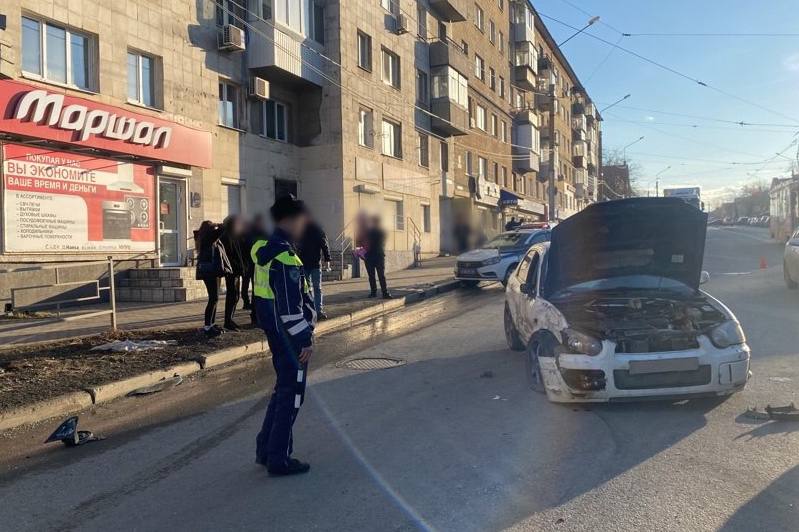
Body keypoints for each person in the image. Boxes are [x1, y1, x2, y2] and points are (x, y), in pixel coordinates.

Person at [252, 195, 316, 476]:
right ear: (290, 220)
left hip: (275, 333)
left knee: (282, 392)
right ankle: (279, 458)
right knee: (292, 396)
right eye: (302, 219)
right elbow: (291, 310)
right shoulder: (286, 257)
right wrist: (305, 339)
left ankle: (266, 449)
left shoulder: (264, 249)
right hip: (291, 339)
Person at [195, 220, 230, 338]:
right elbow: (222, 230)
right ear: (209, 229)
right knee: (213, 298)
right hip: (210, 272)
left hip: (211, 271)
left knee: (215, 298)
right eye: (212, 227)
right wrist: (219, 225)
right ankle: (207, 326)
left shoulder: (204, 237)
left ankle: (212, 324)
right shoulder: (208, 238)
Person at [297, 219, 332, 319]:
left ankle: (311, 311)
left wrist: (327, 259)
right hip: (313, 264)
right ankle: (317, 311)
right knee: (316, 289)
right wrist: (327, 259)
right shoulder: (317, 230)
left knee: (308, 289)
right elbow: (324, 245)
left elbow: (324, 244)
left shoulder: (303, 230)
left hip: (307, 264)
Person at [219, 214, 246, 331]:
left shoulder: (236, 236)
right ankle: (228, 321)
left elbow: (240, 253)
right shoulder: (226, 236)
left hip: (237, 270)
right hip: (231, 271)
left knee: (236, 296)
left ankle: (231, 319)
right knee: (232, 295)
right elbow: (229, 255)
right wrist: (237, 267)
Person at [241, 214, 267, 313]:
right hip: (254, 263)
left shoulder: (249, 233)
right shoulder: (261, 233)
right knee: (253, 285)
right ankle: (251, 304)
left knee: (251, 285)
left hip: (252, 263)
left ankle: (250, 304)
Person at [364, 215, 392, 299]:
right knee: (379, 275)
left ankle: (376, 292)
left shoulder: (375, 232)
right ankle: (383, 292)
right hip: (376, 256)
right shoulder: (379, 232)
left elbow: (366, 243)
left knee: (375, 276)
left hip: (372, 256)